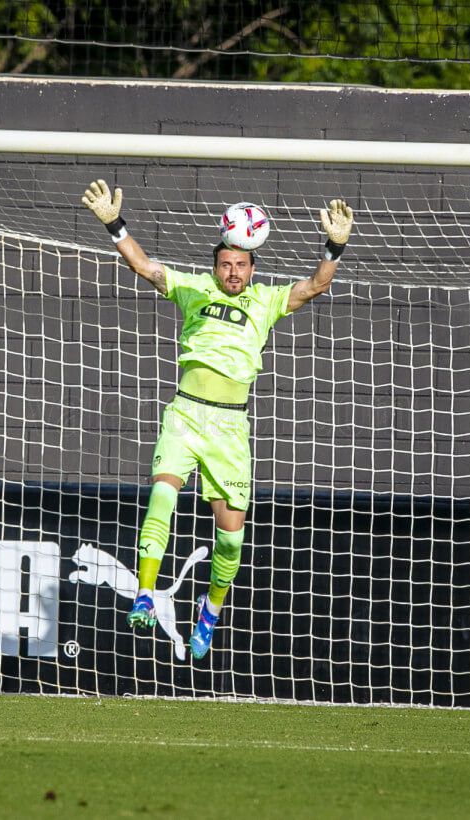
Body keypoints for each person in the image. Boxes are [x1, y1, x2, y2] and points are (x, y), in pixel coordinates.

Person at [81, 179, 354, 659]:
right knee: (161, 496)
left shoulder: (266, 301)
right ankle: (145, 595)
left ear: (252, 266)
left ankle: (209, 611)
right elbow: (145, 266)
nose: (233, 271)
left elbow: (315, 286)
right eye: (226, 264)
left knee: (230, 541)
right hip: (186, 414)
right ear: (216, 265)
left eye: (241, 265)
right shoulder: (193, 290)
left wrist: (334, 246)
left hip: (230, 427)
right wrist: (113, 224)